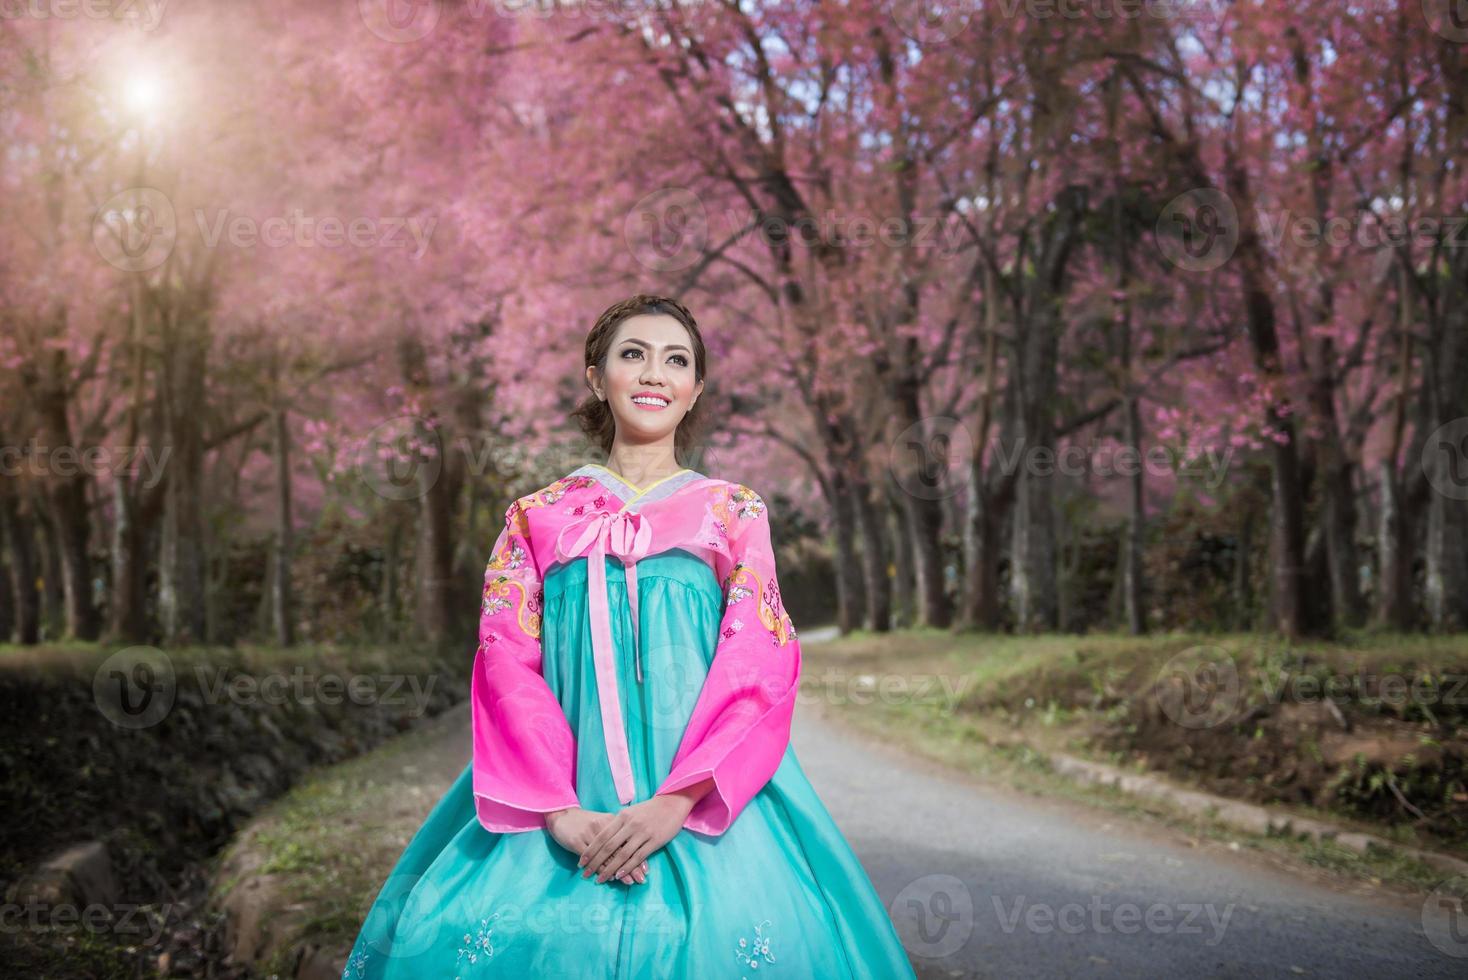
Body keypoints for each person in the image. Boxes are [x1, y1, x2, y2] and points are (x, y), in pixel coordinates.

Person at [341, 295, 917, 978]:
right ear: (596, 378)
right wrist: (559, 813)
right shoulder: (535, 518)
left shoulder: (731, 511)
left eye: (676, 361)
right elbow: (506, 665)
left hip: (702, 795)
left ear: (696, 388)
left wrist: (676, 803)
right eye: (633, 355)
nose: (654, 374)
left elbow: (757, 660)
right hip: (562, 794)